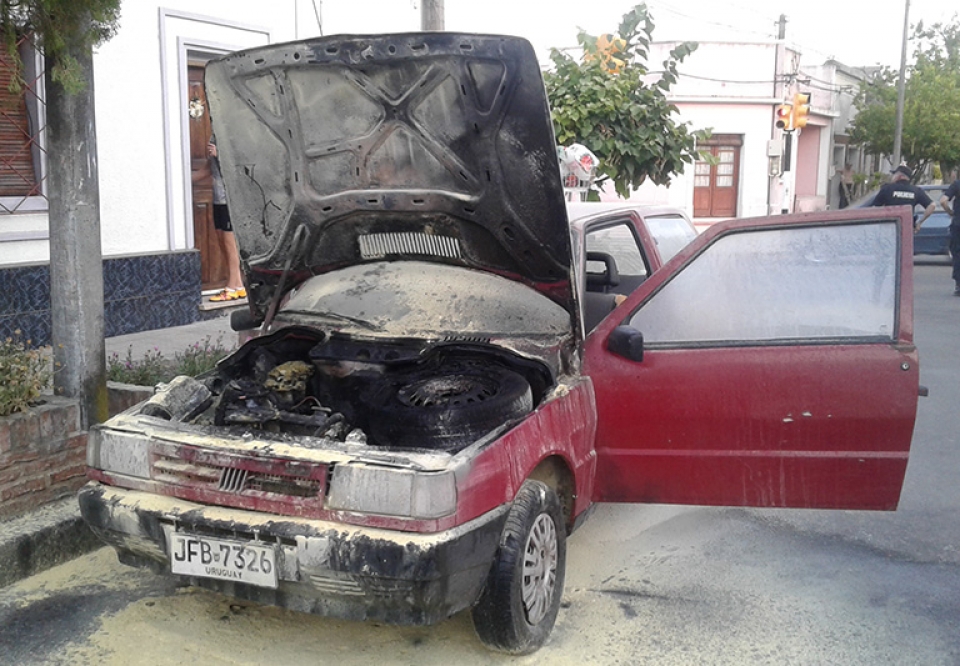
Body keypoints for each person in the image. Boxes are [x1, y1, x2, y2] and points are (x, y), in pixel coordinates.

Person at [196, 137, 246, 302]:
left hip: (232, 199)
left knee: (231, 244)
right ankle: (239, 285)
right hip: (219, 200)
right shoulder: (215, 139)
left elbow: (242, 168)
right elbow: (206, 171)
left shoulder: (232, 138)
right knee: (222, 242)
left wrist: (221, 155)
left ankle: (231, 287)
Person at [871, 165, 935, 231]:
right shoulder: (916, 190)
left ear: (900, 176)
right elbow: (932, 205)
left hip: (889, 227)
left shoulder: (887, 188)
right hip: (907, 228)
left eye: (894, 174)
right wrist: (919, 223)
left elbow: (874, 208)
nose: (892, 177)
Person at [939, 178, 960, 296]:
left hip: (958, 225)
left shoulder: (957, 184)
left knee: (957, 254)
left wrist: (950, 212)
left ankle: (959, 285)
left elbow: (943, 201)